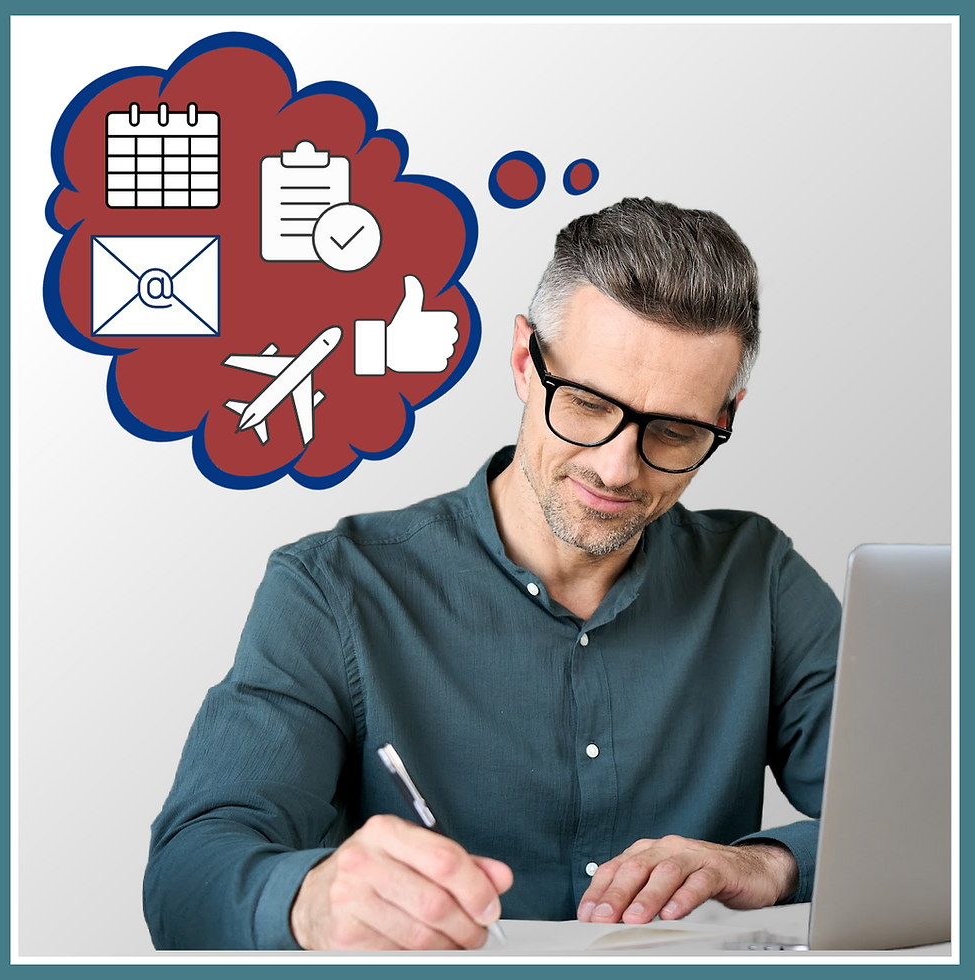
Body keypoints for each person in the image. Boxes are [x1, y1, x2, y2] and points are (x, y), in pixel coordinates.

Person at [144, 197, 839, 951]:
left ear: (727, 419)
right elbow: (187, 873)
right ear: (522, 361)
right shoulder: (332, 589)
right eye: (585, 403)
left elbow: (935, 820)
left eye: (674, 431)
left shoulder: (761, 580)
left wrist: (771, 864)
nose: (615, 467)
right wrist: (307, 903)